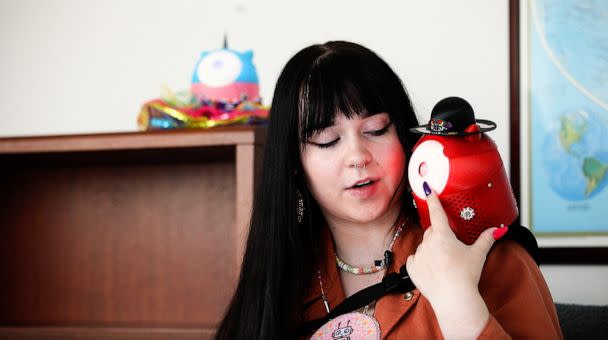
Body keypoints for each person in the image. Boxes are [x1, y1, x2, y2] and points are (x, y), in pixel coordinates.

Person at [214, 41, 562, 339]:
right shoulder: (280, 277)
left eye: (376, 130)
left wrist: (462, 308)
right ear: (294, 163)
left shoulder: (488, 257)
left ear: (405, 138)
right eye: (327, 140)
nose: (357, 157)